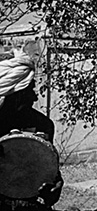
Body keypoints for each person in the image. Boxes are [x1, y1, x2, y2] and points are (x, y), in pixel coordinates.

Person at [0, 43, 63, 210]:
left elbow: (50, 173)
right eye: (28, 90)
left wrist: (55, 188)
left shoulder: (42, 125)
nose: (34, 98)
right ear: (11, 94)